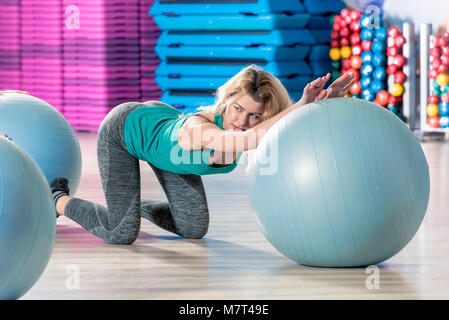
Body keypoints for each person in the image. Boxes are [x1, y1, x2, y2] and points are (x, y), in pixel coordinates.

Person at [3, 66, 355, 245]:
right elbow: (245, 143)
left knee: (192, 228)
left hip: (163, 134)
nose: (242, 121)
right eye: (237, 109)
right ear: (227, 99)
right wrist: (303, 105)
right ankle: (57, 197)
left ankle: (134, 204)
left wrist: (320, 105)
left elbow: (279, 129)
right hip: (127, 130)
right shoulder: (202, 130)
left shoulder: (250, 127)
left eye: (254, 117)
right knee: (120, 233)